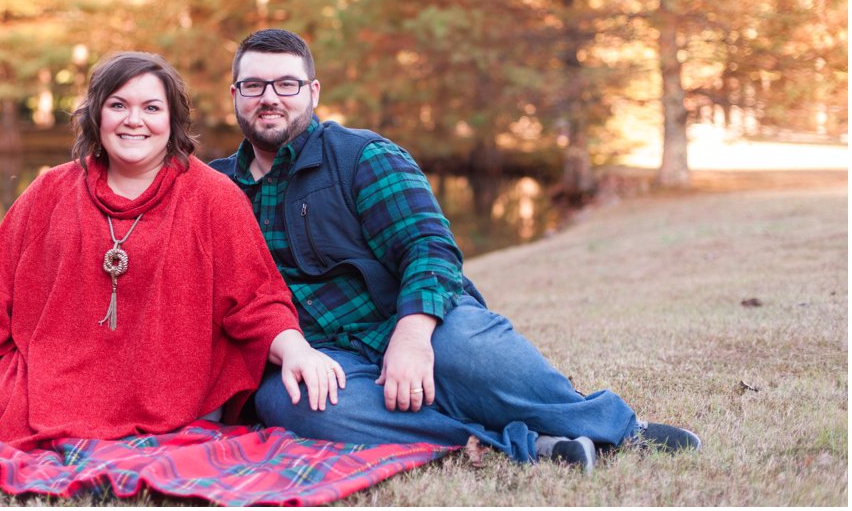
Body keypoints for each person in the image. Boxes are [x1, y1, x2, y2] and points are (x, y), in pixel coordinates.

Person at [0, 51, 345, 450]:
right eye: (119, 105)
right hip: (47, 370)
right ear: (96, 115)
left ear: (173, 122)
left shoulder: (214, 197)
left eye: (151, 108)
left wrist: (293, 350)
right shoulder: (51, 188)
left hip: (165, 391)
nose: (134, 120)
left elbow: (256, 301)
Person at [209, 28, 701, 473]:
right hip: (323, 355)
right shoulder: (216, 189)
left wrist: (412, 335)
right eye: (254, 86)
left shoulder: (363, 157)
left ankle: (615, 430)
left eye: (286, 84)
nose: (269, 98)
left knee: (472, 354)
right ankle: (515, 444)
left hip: (411, 318)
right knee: (290, 403)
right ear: (235, 95)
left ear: (313, 92)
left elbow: (429, 248)